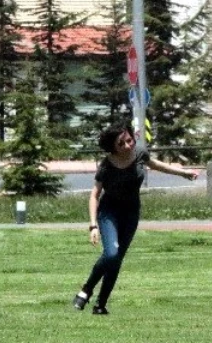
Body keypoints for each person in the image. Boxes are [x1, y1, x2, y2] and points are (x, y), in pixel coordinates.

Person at [72, 123, 198, 314]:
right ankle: (86, 289)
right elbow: (94, 195)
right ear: (113, 146)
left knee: (117, 259)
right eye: (121, 143)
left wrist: (184, 173)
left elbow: (156, 165)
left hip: (131, 213)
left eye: (129, 140)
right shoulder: (107, 165)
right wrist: (93, 226)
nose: (128, 146)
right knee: (111, 254)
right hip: (109, 213)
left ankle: (101, 304)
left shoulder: (139, 154)